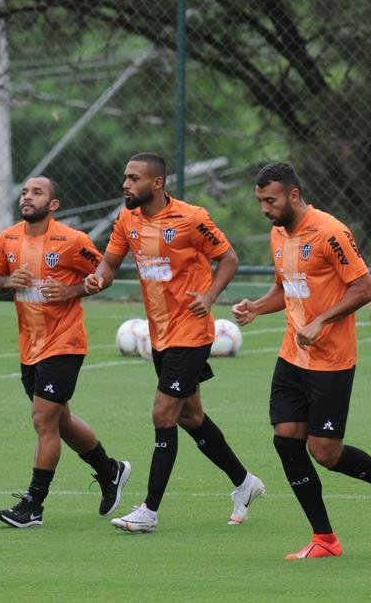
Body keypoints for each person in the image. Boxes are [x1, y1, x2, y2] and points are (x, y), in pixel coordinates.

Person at [232, 162, 371, 560]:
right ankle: (324, 538)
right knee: (286, 438)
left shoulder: (331, 232)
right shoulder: (278, 234)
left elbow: (365, 288)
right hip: (292, 357)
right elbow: (286, 288)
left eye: (271, 201)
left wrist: (321, 321)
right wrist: (257, 307)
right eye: (260, 201)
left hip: (331, 360)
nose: (264, 209)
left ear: (293, 195)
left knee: (326, 453)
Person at [84, 153, 265, 533]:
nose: (126, 184)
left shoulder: (191, 218)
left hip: (191, 332)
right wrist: (98, 278)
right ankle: (245, 482)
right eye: (125, 177)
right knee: (190, 417)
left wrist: (209, 297)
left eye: (134, 178)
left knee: (163, 414)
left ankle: (148, 511)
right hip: (160, 333)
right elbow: (109, 265)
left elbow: (229, 259)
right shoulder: (127, 219)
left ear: (157, 183)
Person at [0, 177, 131, 528]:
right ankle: (109, 470)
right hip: (30, 347)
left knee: (43, 420)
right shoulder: (8, 238)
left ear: (53, 205)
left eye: (37, 193)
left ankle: (33, 505)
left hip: (65, 343)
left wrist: (72, 290)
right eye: (24, 192)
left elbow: (102, 274)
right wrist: (8, 282)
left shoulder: (72, 241)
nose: (27, 197)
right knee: (59, 421)